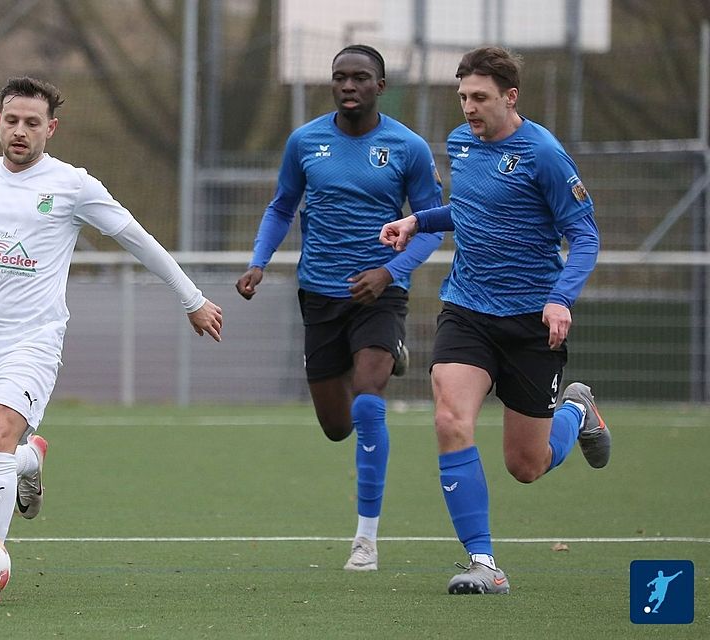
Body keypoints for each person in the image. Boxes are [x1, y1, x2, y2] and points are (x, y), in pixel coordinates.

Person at [0, 76, 223, 565]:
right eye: (12, 121)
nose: (20, 131)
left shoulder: (72, 184)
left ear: (51, 128)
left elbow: (137, 238)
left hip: (31, 341)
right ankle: (29, 461)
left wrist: (192, 299)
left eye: (32, 123)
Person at [379, 46, 610, 594]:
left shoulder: (545, 155)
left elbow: (586, 235)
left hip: (532, 320)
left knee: (525, 465)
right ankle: (484, 563)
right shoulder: (462, 144)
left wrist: (560, 298)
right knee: (449, 419)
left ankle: (576, 411)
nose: (468, 108)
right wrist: (418, 220)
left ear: (510, 96)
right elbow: (471, 209)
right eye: (462, 97)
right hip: (468, 311)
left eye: (479, 97)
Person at [235, 45, 444, 571]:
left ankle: (365, 540)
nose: (348, 85)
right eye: (339, 78)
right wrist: (260, 261)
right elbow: (283, 205)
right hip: (320, 295)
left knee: (369, 400)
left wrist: (389, 272)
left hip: (380, 292)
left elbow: (432, 225)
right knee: (336, 425)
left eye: (360, 78)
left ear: (380, 85)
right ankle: (377, 355)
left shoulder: (408, 146)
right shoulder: (305, 141)